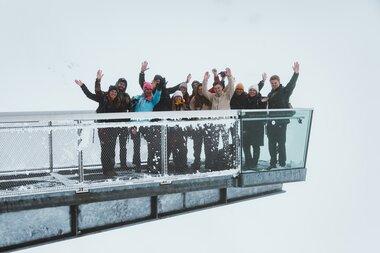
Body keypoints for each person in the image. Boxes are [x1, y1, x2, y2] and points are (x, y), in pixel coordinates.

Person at [74, 78, 122, 177]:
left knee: (112, 150)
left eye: (115, 92)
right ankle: (106, 170)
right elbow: (89, 95)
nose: (114, 93)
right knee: (105, 150)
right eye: (112, 91)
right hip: (103, 129)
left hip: (113, 129)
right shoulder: (103, 99)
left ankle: (111, 169)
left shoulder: (118, 102)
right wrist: (82, 85)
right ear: (109, 92)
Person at [263, 62, 300, 170]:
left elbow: (291, 85)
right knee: (271, 145)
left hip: (281, 123)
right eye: (272, 83)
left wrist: (296, 74)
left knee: (281, 143)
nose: (273, 84)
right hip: (271, 123)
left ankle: (282, 163)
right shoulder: (270, 94)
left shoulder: (284, 91)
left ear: (279, 82)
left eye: (275, 83)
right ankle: (273, 163)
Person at [95, 70, 131, 171]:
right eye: (120, 83)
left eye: (124, 84)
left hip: (123, 124)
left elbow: (131, 108)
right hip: (112, 124)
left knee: (123, 146)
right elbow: (98, 92)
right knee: (111, 146)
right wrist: (98, 80)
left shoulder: (127, 96)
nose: (122, 85)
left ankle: (123, 164)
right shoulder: (110, 94)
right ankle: (110, 167)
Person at [202, 68, 235, 170]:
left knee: (225, 143)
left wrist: (229, 76)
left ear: (222, 87)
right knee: (214, 144)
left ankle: (227, 163)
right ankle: (215, 164)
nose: (217, 90)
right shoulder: (212, 97)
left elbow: (232, 87)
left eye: (219, 88)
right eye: (215, 88)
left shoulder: (227, 96)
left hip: (225, 123)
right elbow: (204, 92)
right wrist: (205, 80)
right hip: (215, 124)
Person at [131, 81, 162, 173]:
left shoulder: (152, 100)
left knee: (152, 145)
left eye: (150, 89)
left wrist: (159, 87)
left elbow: (157, 95)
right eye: (146, 89)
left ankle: (151, 165)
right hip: (135, 124)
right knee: (136, 147)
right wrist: (132, 126)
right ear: (144, 89)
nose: (148, 91)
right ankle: (137, 165)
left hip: (146, 125)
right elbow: (131, 109)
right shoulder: (138, 98)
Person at [242, 74, 268, 170]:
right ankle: (248, 162)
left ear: (257, 92)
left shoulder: (261, 100)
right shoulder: (246, 99)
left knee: (256, 146)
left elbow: (262, 111)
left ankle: (254, 163)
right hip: (247, 127)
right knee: (246, 145)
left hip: (257, 127)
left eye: (254, 90)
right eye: (250, 90)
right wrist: (262, 82)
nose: (252, 92)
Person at [189, 82, 213, 171]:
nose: (200, 91)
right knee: (197, 146)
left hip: (207, 125)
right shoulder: (194, 99)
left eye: (202, 89)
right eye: (199, 89)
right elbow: (191, 110)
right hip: (198, 126)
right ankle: (197, 163)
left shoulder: (209, 98)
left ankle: (208, 163)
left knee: (208, 146)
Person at [167, 90, 189, 173]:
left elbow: (188, 117)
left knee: (183, 149)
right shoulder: (171, 107)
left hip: (182, 131)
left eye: (179, 97)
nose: (178, 98)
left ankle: (183, 165)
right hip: (173, 132)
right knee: (175, 149)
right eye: (176, 97)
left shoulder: (185, 107)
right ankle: (177, 165)